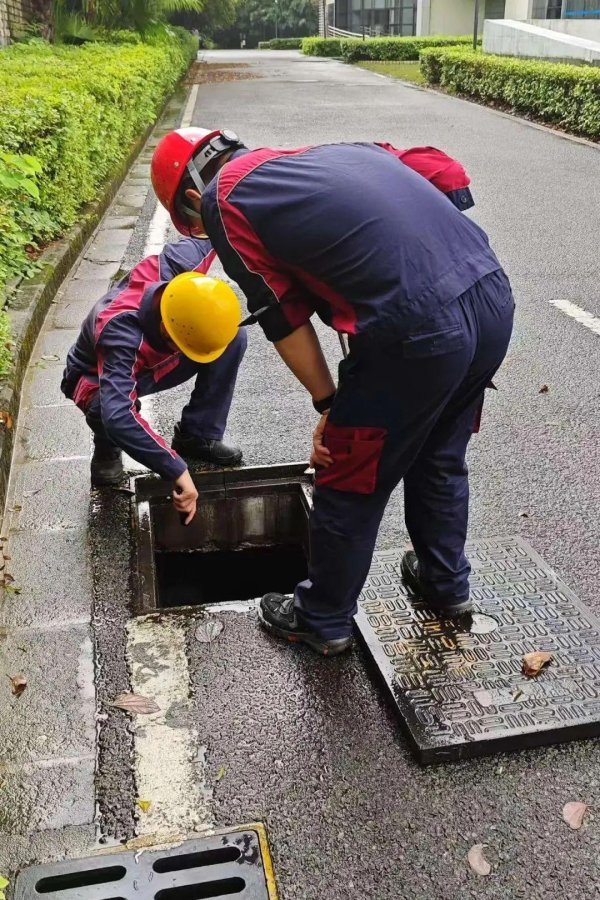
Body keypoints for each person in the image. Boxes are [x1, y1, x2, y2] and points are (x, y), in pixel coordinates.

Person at [151, 127, 514, 654]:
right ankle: (444, 582)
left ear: (191, 198)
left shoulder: (222, 199)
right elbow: (443, 176)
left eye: (193, 226)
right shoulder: (328, 155)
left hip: (419, 328)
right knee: (439, 456)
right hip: (491, 298)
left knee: (349, 472)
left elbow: (282, 315)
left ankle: (321, 617)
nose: (203, 231)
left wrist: (329, 404)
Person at [61, 236, 246, 524]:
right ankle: (107, 445)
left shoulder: (181, 265)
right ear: (166, 329)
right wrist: (175, 469)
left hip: (154, 361)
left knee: (231, 337)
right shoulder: (120, 332)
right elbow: (119, 414)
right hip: (96, 374)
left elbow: (216, 222)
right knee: (109, 410)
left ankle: (198, 434)